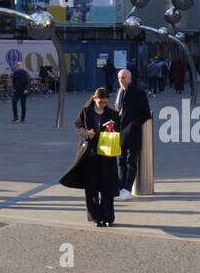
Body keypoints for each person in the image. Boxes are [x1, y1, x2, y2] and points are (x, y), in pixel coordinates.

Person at [60, 89, 121, 226]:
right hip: (90, 154)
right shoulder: (85, 112)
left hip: (106, 153)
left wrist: (111, 130)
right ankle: (95, 218)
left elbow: (118, 129)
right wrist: (87, 134)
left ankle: (108, 217)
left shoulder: (112, 114)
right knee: (91, 187)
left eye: (105, 102)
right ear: (94, 98)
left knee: (107, 186)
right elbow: (78, 126)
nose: (102, 105)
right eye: (100, 102)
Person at [113, 68, 150, 200]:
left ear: (130, 78)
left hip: (132, 133)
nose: (120, 80)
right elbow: (117, 110)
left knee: (131, 161)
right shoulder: (119, 92)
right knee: (120, 161)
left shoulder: (139, 93)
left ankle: (127, 189)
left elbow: (146, 114)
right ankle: (120, 187)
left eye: (123, 77)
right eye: (119, 77)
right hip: (120, 133)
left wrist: (133, 124)